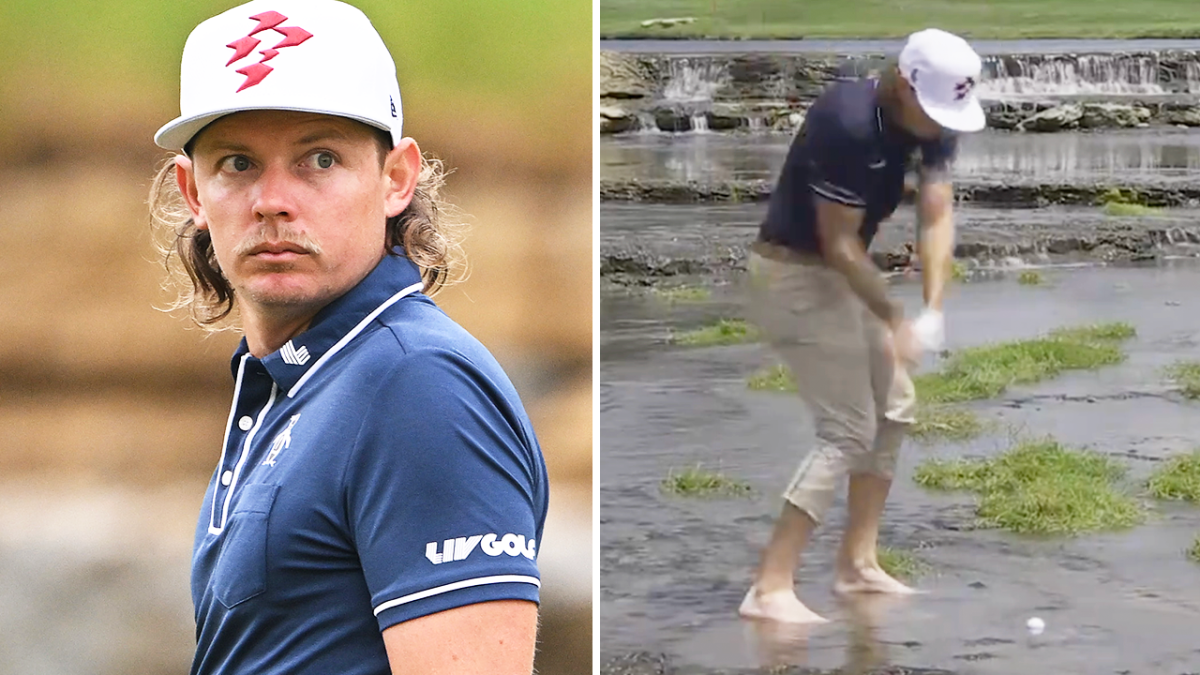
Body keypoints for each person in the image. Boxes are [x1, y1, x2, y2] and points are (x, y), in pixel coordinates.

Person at [147, 1, 548, 672]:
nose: (272, 199)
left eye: (320, 159)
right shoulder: (300, 382)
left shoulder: (419, 386)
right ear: (194, 192)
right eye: (238, 163)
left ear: (396, 178)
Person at [740, 28, 986, 624]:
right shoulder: (847, 121)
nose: (939, 125)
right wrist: (895, 317)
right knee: (847, 431)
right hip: (793, 274)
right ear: (903, 85)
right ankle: (769, 588)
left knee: (895, 408)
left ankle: (858, 566)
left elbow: (936, 212)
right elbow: (840, 244)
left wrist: (933, 307)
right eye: (931, 112)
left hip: (841, 276)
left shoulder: (933, 115)